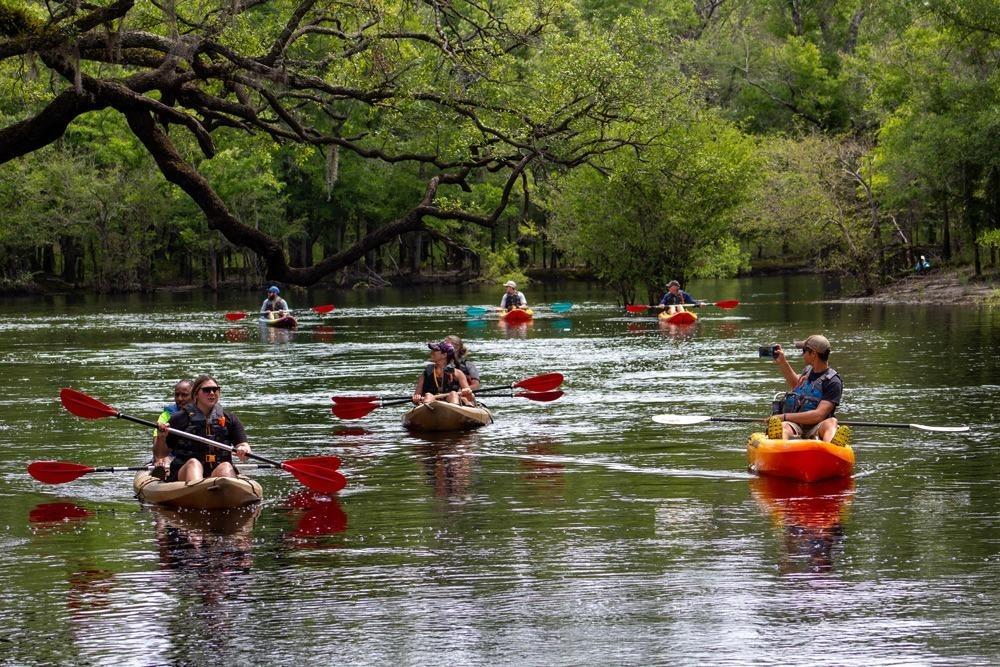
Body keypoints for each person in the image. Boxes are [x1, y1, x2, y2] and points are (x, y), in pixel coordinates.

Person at [154, 375, 251, 482]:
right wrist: (161, 437)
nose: (212, 393)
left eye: (215, 389)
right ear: (196, 394)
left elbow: (244, 448)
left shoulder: (230, 419)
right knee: (193, 464)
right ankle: (197, 491)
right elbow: (160, 454)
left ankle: (227, 493)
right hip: (184, 474)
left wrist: (244, 450)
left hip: (217, 472)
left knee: (226, 466)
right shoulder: (179, 419)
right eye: (206, 390)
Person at [766, 335, 849, 445]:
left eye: (804, 350)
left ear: (813, 353)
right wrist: (782, 362)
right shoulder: (808, 371)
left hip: (817, 426)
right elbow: (796, 385)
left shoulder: (833, 382)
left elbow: (818, 415)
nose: (802, 354)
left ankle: (833, 447)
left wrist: (783, 416)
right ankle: (778, 444)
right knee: (784, 426)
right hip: (795, 425)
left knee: (831, 422)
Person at [412, 341, 474, 406]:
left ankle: (453, 411)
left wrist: (467, 392)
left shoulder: (458, 373)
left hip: (452, 402)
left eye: (435, 350)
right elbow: (416, 398)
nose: (431, 353)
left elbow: (470, 398)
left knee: (453, 394)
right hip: (431, 404)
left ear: (444, 355)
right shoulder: (425, 373)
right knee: (428, 396)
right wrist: (416, 398)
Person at [151, 380, 193, 472]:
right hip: (170, 456)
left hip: (193, 457)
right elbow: (156, 440)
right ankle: (163, 473)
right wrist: (159, 460)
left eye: (184, 395)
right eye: (177, 395)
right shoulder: (166, 415)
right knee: (165, 460)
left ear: (194, 396)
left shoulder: (202, 413)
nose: (180, 398)